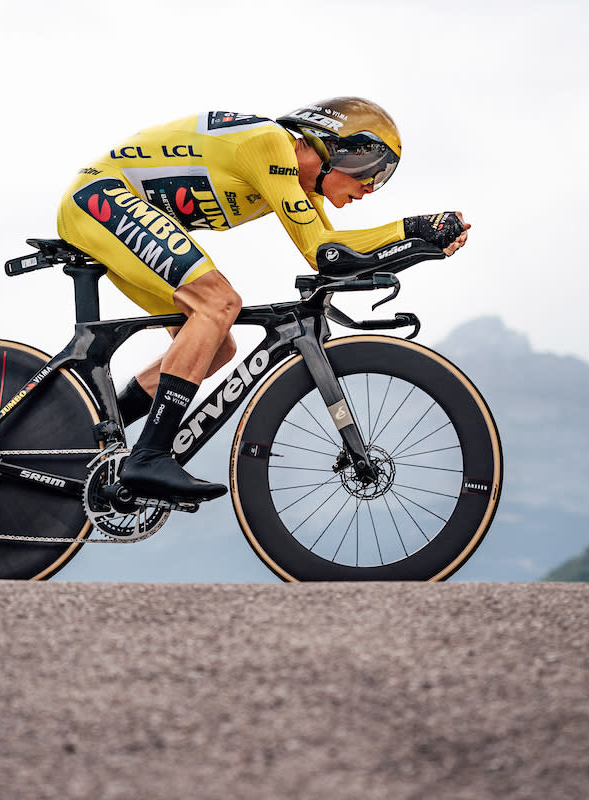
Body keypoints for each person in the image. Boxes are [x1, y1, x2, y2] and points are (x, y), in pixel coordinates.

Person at [56, 97, 471, 503]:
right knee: (218, 304)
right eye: (370, 171)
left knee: (218, 346)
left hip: (111, 207)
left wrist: (421, 245)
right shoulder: (272, 144)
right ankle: (148, 456)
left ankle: (76, 438)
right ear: (334, 148)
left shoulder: (297, 182)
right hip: (101, 196)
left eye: (380, 178)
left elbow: (335, 257)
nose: (369, 188)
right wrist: (413, 226)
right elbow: (322, 251)